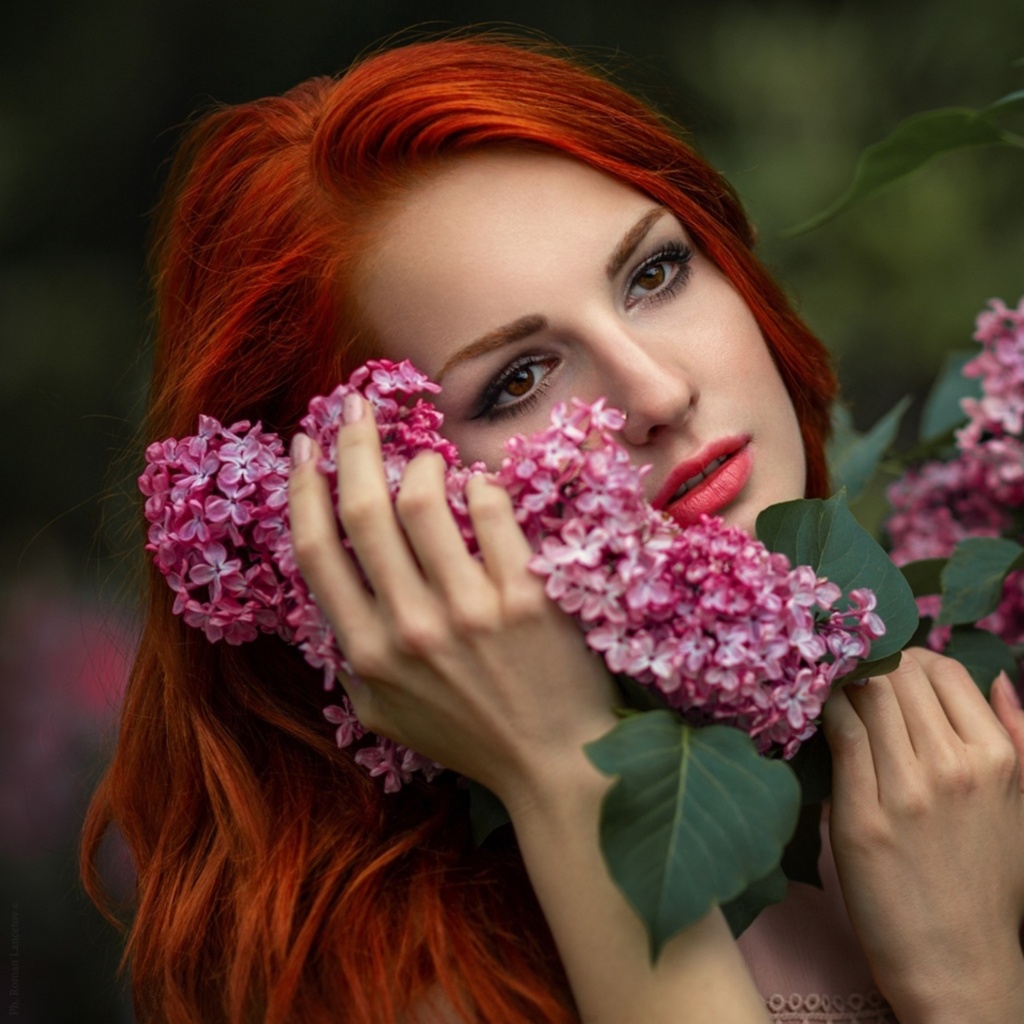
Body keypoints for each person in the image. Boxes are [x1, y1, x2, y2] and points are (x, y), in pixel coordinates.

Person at [82, 34, 1024, 1024]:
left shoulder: (964, 753)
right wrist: (968, 986)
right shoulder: (420, 986)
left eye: (654, 274)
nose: (658, 390)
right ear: (362, 514)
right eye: (518, 380)